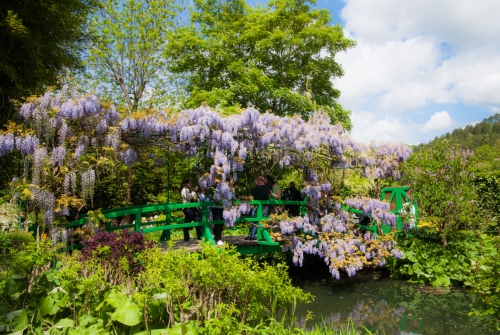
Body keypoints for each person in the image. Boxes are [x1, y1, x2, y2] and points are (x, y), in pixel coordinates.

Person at [212, 175, 235, 246]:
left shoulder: (231, 188)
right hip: (218, 207)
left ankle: (218, 238)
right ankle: (217, 239)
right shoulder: (220, 186)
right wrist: (220, 199)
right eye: (232, 181)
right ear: (228, 181)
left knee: (221, 223)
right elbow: (216, 196)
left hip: (226, 208)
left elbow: (232, 198)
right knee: (218, 223)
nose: (233, 182)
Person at [245, 176, 270, 240]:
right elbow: (269, 198)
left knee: (254, 221)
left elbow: (251, 198)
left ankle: (252, 235)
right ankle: (263, 236)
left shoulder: (254, 189)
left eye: (256, 180)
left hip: (257, 207)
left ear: (259, 180)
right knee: (264, 220)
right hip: (265, 207)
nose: (255, 182)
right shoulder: (268, 189)